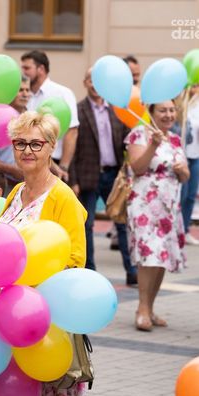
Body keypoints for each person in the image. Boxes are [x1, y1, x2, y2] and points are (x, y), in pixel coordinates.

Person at [0, 111, 87, 396]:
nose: (27, 150)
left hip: (45, 321)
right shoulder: (16, 191)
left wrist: (34, 283)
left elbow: (75, 260)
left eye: (36, 144)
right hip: (11, 316)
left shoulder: (63, 197)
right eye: (20, 143)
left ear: (51, 147)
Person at [71, 68, 137, 286]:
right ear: (85, 83)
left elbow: (128, 140)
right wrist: (73, 181)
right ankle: (90, 270)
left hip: (114, 175)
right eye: (90, 80)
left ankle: (132, 270)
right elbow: (72, 148)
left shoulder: (117, 110)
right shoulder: (78, 111)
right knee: (87, 224)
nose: (94, 84)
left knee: (122, 222)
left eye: (97, 80)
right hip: (87, 177)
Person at [126, 100, 189, 331]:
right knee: (149, 255)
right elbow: (137, 168)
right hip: (144, 205)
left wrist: (182, 172)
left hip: (169, 207)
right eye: (162, 110)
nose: (168, 114)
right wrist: (153, 144)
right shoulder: (139, 135)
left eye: (171, 110)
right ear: (151, 112)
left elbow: (185, 175)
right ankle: (141, 309)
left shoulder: (175, 139)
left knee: (162, 257)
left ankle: (150, 308)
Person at [21, 50, 79, 182]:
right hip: (29, 161)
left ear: (41, 69)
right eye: (22, 68)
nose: (23, 72)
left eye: (27, 68)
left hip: (55, 163)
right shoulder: (25, 95)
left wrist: (63, 166)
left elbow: (72, 131)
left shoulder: (62, 93)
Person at [0, 77, 31, 194]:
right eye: (20, 90)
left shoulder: (32, 117)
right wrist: (12, 170)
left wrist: (56, 169)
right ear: (9, 92)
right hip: (3, 185)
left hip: (28, 185)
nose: (25, 94)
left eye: (27, 90)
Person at [180, 84, 199, 245]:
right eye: (194, 85)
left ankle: (185, 230)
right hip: (182, 156)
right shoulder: (181, 104)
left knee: (191, 196)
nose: (196, 89)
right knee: (182, 195)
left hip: (195, 155)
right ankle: (176, 231)